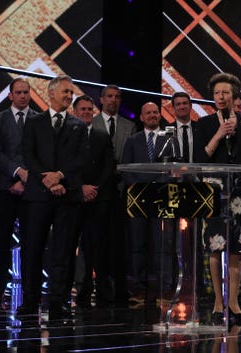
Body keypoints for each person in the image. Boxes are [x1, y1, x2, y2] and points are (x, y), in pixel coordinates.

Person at [195, 72, 241, 326]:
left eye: (225, 93)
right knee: (215, 246)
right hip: (213, 191)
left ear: (234, 95)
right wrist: (218, 133)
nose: (220, 97)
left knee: (237, 247)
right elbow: (200, 158)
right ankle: (217, 301)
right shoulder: (203, 124)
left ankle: (234, 302)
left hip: (238, 193)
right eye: (216, 93)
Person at [18, 75, 88, 318]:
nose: (69, 96)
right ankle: (30, 301)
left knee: (63, 252)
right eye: (66, 92)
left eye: (71, 93)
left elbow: (81, 159)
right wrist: (45, 179)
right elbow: (28, 154)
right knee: (33, 250)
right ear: (51, 93)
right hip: (38, 196)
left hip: (66, 197)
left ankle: (58, 302)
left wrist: (59, 175)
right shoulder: (34, 122)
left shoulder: (78, 126)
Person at [0, 77, 38, 304]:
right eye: (18, 92)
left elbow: (41, 154)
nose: (23, 96)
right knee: (3, 238)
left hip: (32, 189)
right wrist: (17, 173)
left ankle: (29, 288)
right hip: (6, 187)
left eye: (26, 92)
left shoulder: (39, 120)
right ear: (10, 95)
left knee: (31, 240)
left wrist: (27, 179)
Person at [121, 102, 175, 306]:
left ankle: (165, 289)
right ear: (141, 117)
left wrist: (159, 189)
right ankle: (138, 290)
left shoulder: (169, 140)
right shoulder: (132, 140)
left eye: (155, 112)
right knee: (137, 246)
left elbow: (173, 168)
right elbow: (125, 170)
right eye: (148, 113)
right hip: (139, 200)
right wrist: (141, 190)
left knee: (164, 246)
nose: (153, 115)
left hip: (162, 199)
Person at [92, 84, 137, 304]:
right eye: (109, 96)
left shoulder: (130, 126)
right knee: (99, 240)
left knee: (121, 242)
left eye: (117, 97)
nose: (113, 100)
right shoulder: (91, 124)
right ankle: (100, 286)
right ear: (101, 100)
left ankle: (121, 287)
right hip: (98, 192)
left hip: (121, 191)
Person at [72, 95, 116, 308]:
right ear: (75, 111)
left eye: (90, 109)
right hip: (74, 198)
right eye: (83, 109)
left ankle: (103, 291)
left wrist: (94, 188)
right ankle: (81, 288)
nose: (87, 112)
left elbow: (109, 165)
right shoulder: (67, 135)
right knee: (77, 245)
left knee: (99, 245)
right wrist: (81, 187)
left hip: (99, 199)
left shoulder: (101, 135)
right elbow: (66, 164)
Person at [170, 92, 196, 163]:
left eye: (185, 103)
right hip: (174, 172)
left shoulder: (200, 128)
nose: (182, 107)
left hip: (196, 172)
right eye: (178, 104)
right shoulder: (166, 129)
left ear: (190, 106)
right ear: (173, 108)